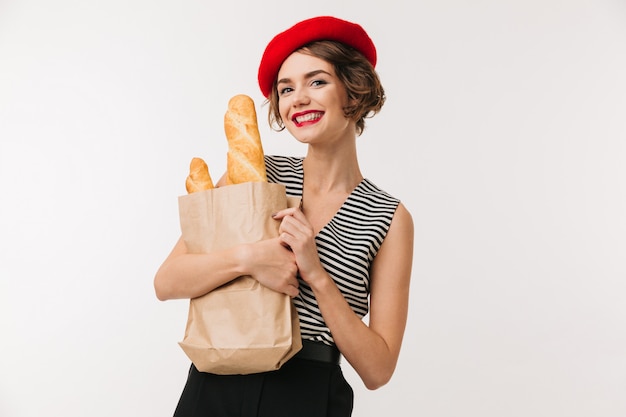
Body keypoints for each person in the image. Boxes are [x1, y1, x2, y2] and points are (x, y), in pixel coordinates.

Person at [154, 15, 414, 417]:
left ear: (353, 91)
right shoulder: (255, 174)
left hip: (308, 396)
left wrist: (316, 273)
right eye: (286, 89)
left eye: (317, 81)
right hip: (215, 385)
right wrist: (249, 259)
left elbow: (378, 369)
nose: (298, 99)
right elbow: (167, 281)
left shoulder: (388, 217)